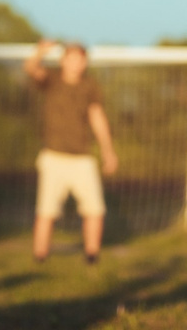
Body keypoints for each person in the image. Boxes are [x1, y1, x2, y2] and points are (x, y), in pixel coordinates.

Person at [24, 39, 118, 263]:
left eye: (80, 60)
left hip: (82, 157)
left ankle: (92, 255)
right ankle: (40, 256)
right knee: (46, 210)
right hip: (53, 156)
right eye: (71, 59)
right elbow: (30, 68)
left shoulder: (90, 86)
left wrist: (108, 150)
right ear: (63, 61)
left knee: (94, 209)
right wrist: (39, 52)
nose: (76, 64)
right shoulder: (52, 80)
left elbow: (97, 116)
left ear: (85, 63)